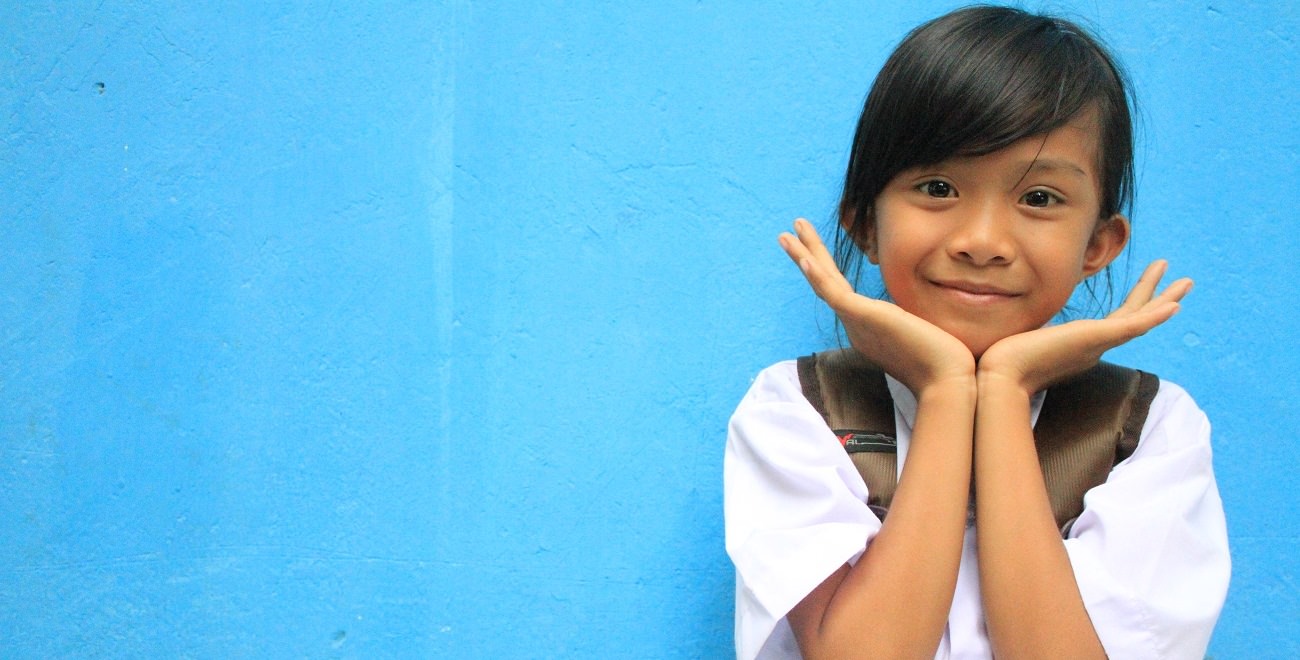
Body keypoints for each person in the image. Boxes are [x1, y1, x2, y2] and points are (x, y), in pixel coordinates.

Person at [723, 6, 1230, 659]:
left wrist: (1005, 388)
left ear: (1099, 244)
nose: (983, 242)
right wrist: (945, 391)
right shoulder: (798, 411)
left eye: (1040, 198)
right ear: (863, 222)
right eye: (937, 187)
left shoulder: (1146, 431)